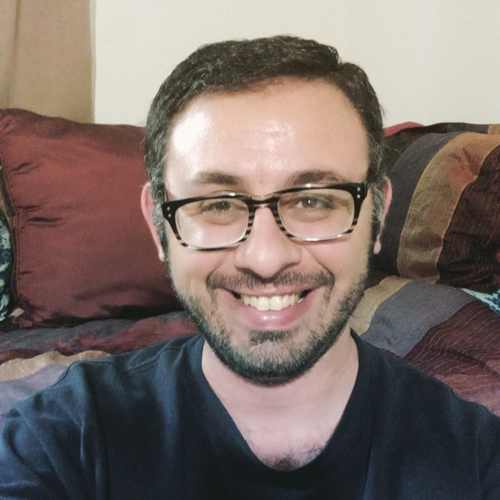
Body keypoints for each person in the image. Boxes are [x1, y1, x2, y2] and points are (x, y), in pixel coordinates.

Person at [1, 35, 499, 499]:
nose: (266, 258)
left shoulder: (475, 460)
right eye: (218, 204)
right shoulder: (64, 437)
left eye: (313, 201)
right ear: (158, 226)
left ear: (379, 215)